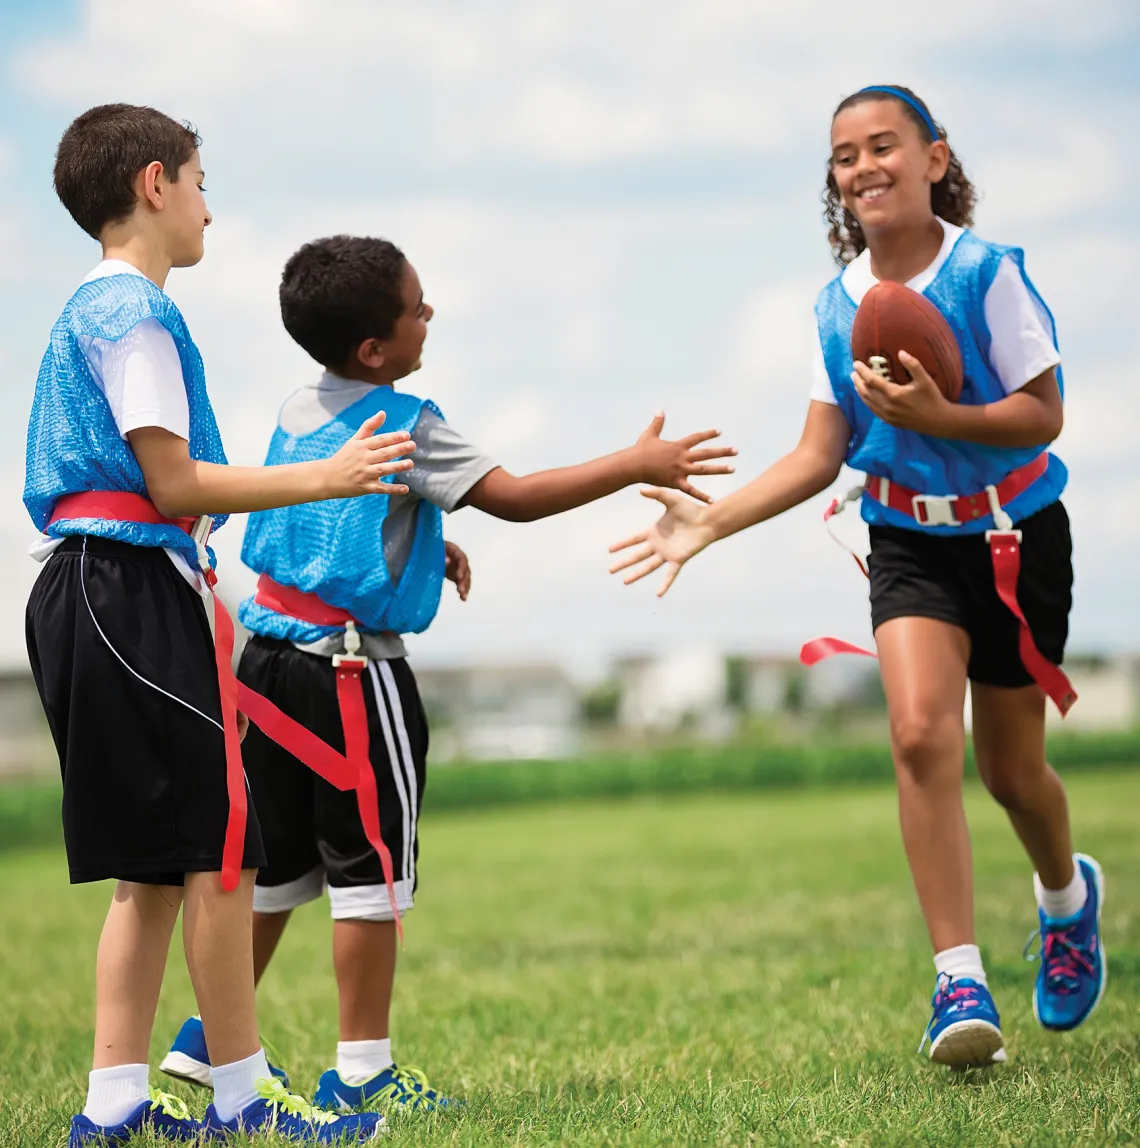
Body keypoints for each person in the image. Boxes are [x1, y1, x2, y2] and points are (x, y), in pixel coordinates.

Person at [161, 233, 738, 1112]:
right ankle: (362, 1076)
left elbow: (332, 527)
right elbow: (517, 496)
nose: (430, 316)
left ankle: (205, 1047)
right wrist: (634, 465)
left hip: (266, 673)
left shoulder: (294, 409)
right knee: (369, 878)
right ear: (374, 349)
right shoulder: (408, 422)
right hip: (351, 679)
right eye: (417, 308)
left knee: (272, 874)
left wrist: (429, 548)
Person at [608, 85, 1104, 1070]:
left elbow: (1042, 414)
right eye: (845, 155)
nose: (865, 166)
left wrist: (941, 417)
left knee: (1011, 771)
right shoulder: (835, 306)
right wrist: (708, 522)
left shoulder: (987, 273)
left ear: (934, 157)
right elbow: (819, 451)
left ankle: (1065, 897)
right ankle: (958, 976)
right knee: (920, 730)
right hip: (907, 540)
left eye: (886, 146)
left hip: (1015, 535)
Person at [25, 104, 415, 1144]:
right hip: (126, 591)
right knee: (218, 850)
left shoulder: (98, 309)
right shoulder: (134, 317)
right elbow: (172, 478)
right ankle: (241, 1100)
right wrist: (322, 476)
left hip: (98, 591)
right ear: (156, 184)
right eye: (201, 180)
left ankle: (113, 1105)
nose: (209, 204)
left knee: (152, 867)